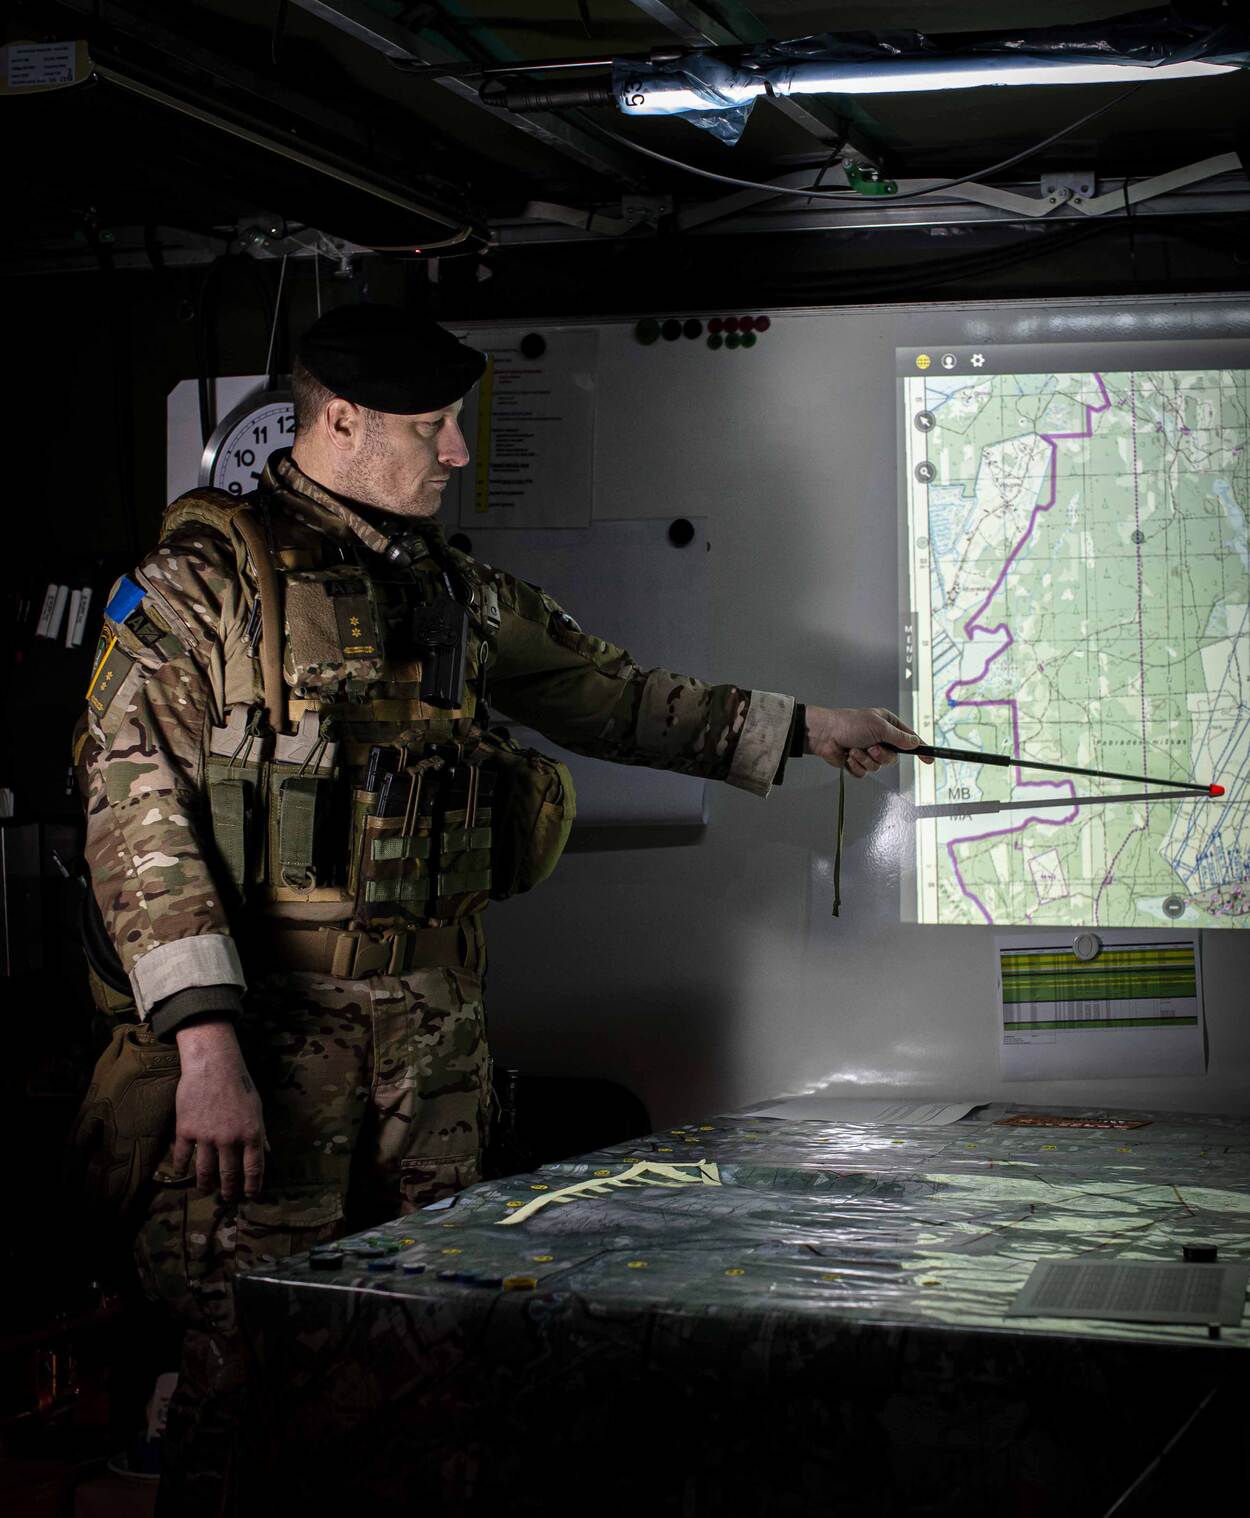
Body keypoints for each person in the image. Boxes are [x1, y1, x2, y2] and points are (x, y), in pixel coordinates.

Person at [76, 304, 925, 1512]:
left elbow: (612, 694)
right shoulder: (198, 586)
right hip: (268, 1047)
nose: (457, 452)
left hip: (433, 1049)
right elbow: (134, 813)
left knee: (433, 1360)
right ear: (339, 420)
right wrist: (206, 1049)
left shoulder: (452, 592)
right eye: (430, 427)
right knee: (253, 1366)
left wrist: (806, 728)